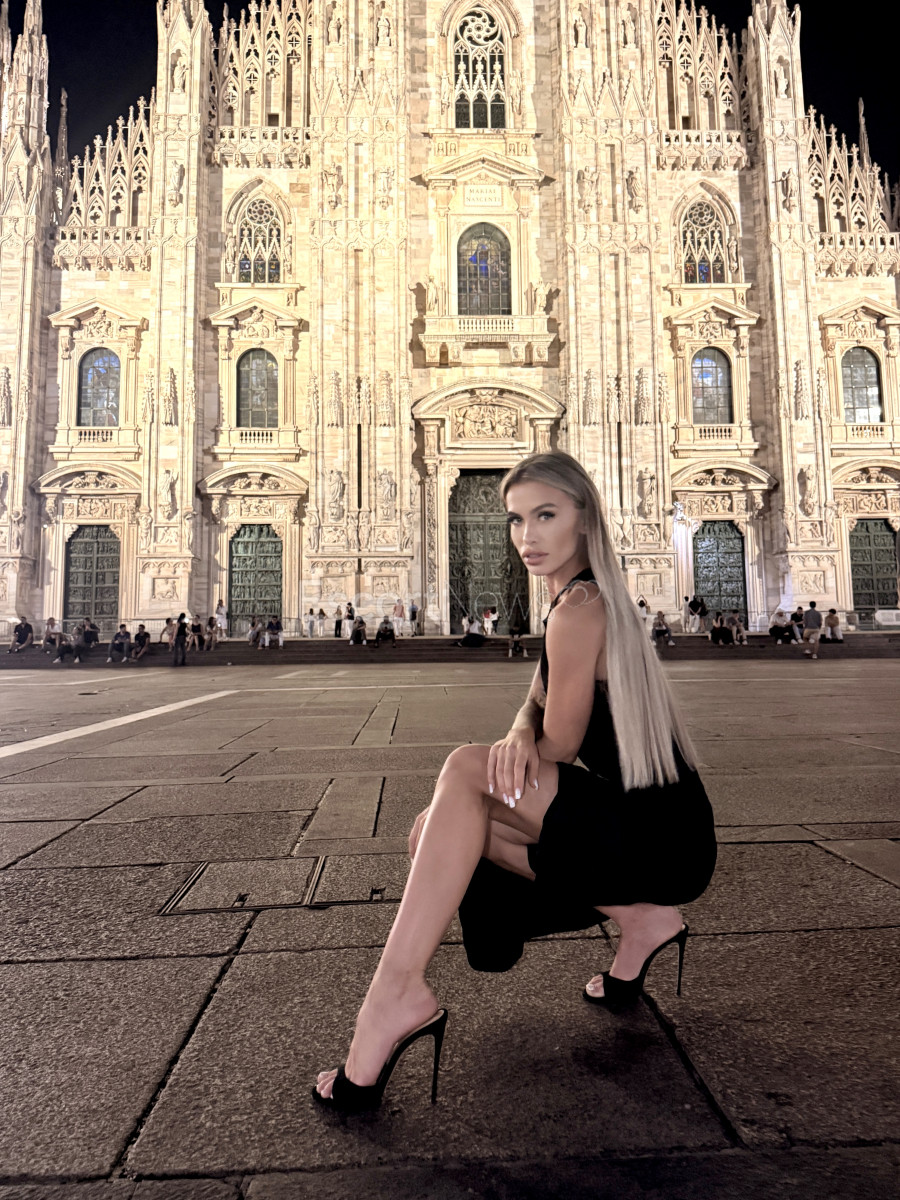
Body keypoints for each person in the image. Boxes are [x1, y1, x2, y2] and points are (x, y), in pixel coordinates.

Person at [313, 450, 715, 1114]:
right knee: (435, 831)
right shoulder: (580, 596)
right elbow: (537, 703)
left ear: (585, 520)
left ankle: (394, 994)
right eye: (516, 519)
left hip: (661, 835)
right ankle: (641, 920)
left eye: (546, 515)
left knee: (465, 771)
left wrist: (521, 741)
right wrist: (522, 730)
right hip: (659, 829)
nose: (527, 535)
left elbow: (558, 742)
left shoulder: (580, 609)